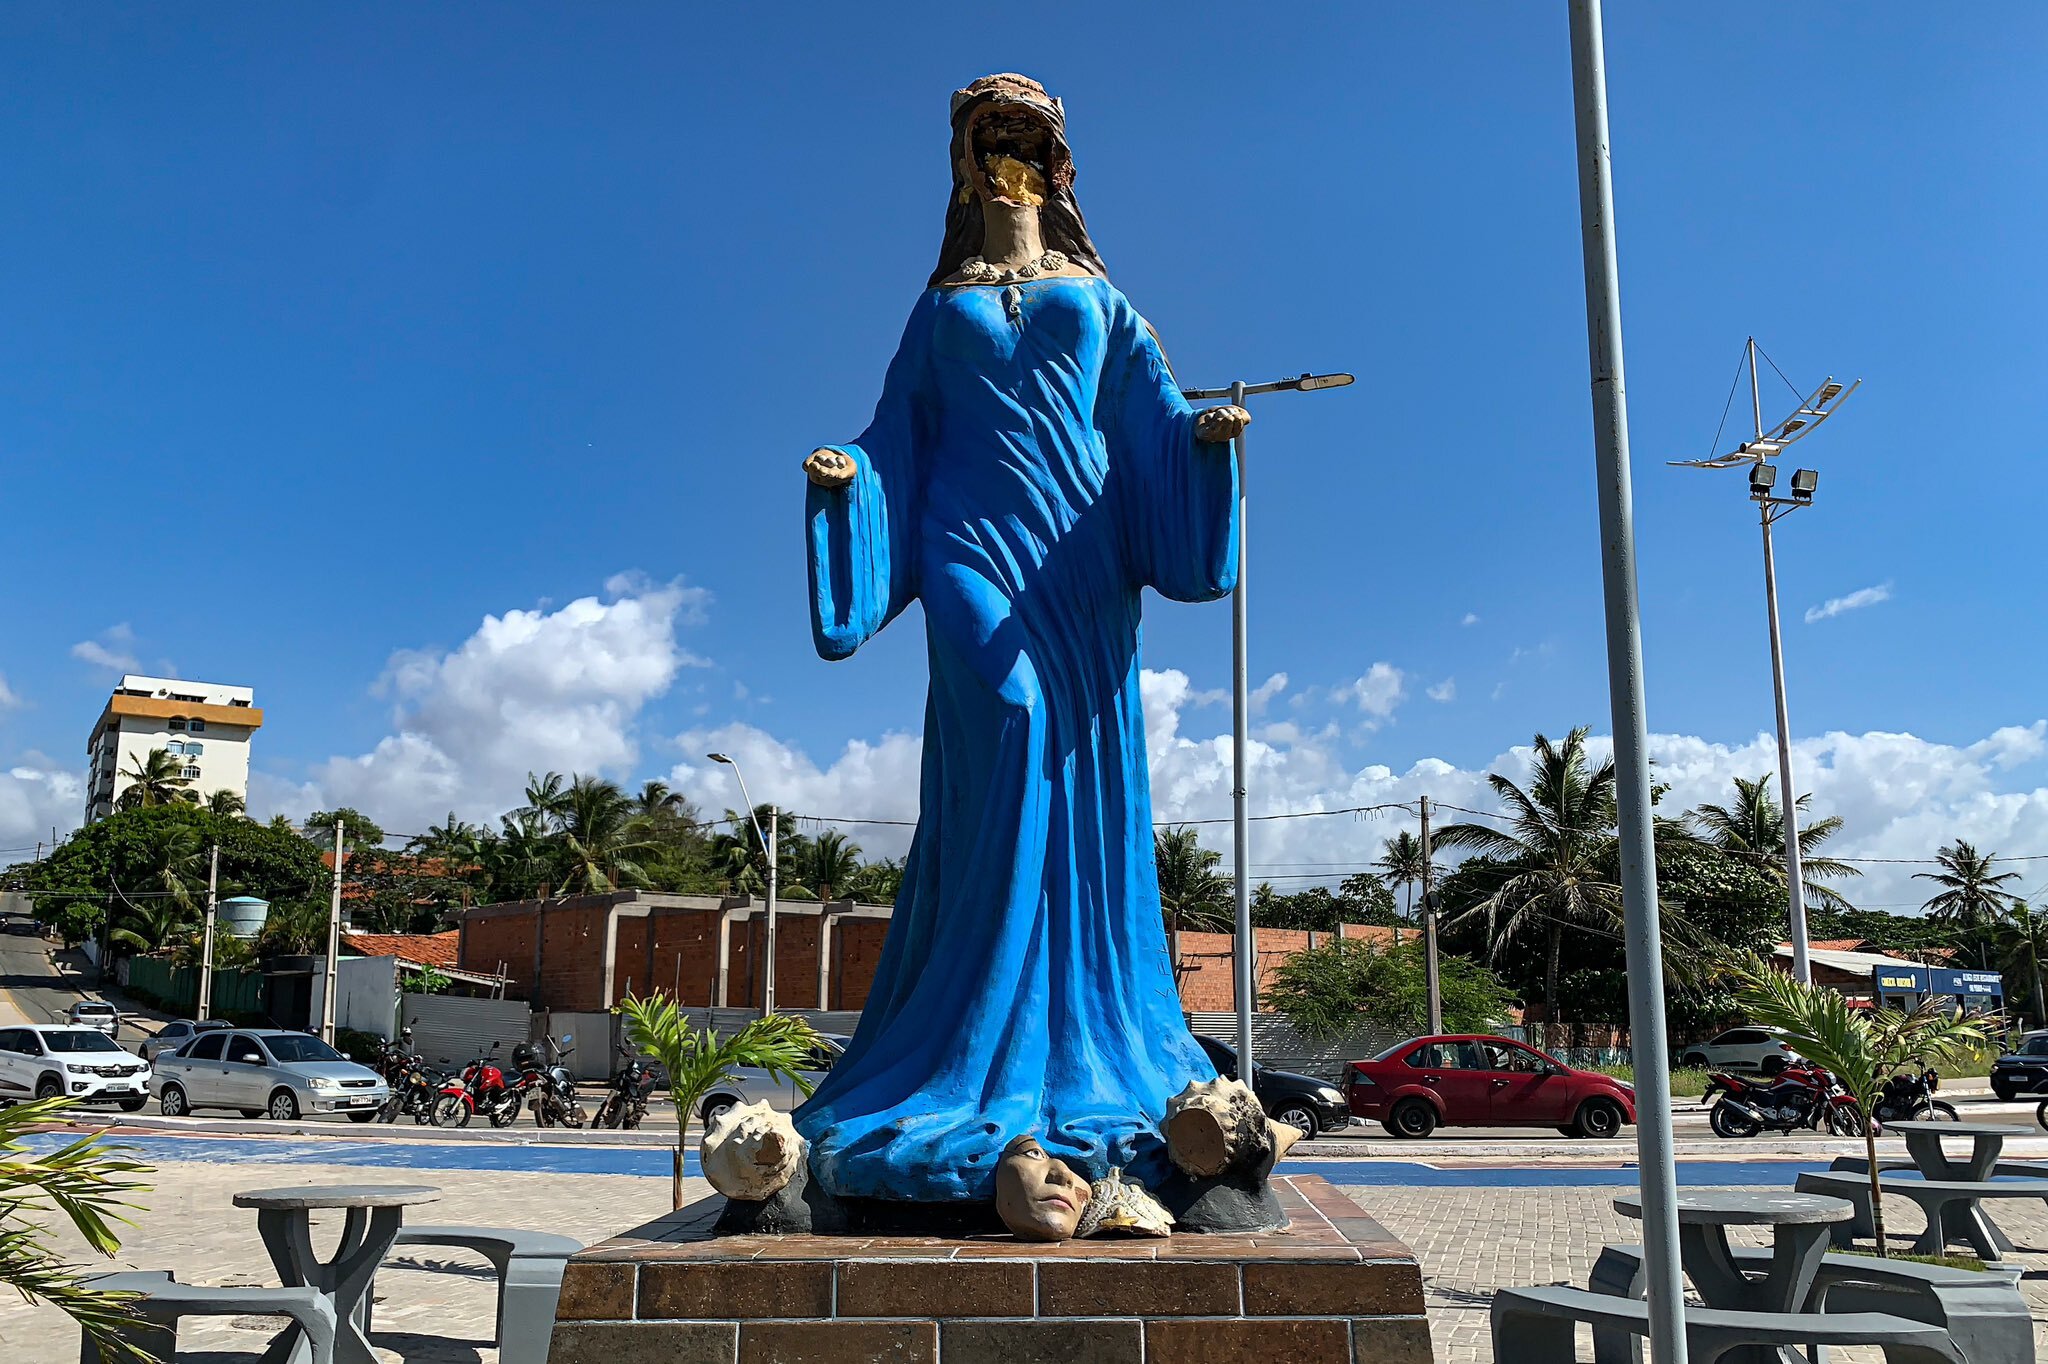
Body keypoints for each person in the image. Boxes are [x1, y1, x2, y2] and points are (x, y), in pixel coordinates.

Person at [796, 74, 1247, 1205]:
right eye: (990, 137)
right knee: (1006, 715)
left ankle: (1077, 1045)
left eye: (1025, 138)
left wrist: (1202, 438)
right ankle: (964, 1029)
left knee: (1068, 748)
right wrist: (852, 476)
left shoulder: (1100, 295)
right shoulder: (938, 298)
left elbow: (1149, 410)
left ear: (1057, 165)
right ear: (963, 162)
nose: (1008, 153)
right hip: (967, 540)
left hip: (1079, 552)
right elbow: (899, 426)